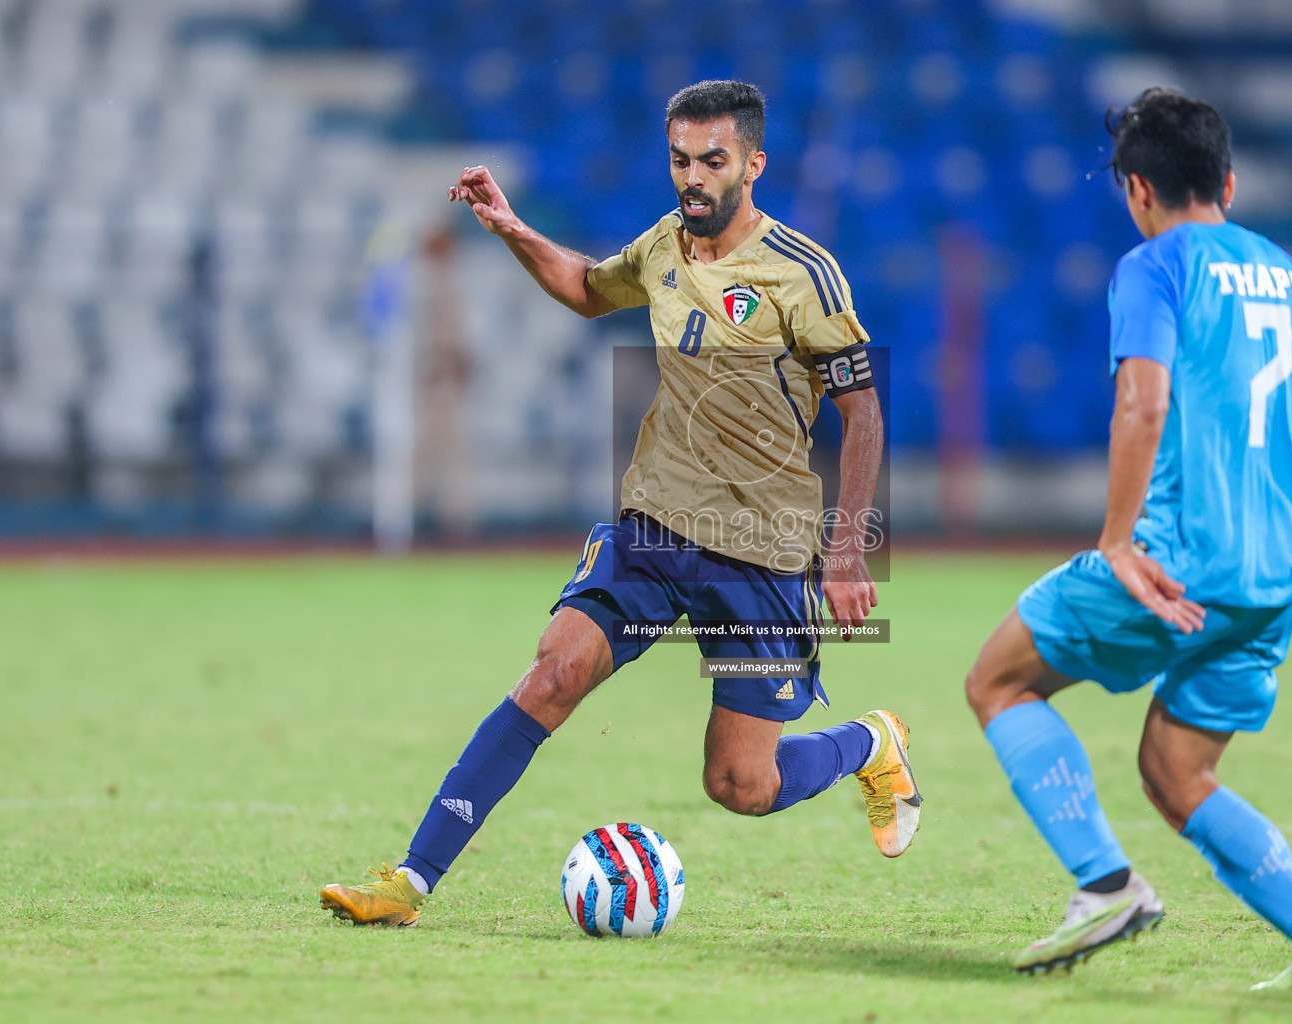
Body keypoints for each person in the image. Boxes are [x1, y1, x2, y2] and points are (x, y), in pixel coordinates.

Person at [319, 80, 919, 928]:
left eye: (712, 160)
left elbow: (863, 412)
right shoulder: (666, 246)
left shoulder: (804, 274)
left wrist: (850, 550)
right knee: (554, 672)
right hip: (655, 532)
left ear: (754, 163)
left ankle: (870, 743)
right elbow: (588, 288)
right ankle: (409, 883)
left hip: (763, 555)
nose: (693, 177)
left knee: (741, 786)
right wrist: (512, 227)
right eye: (680, 159)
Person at [963, 88, 1292, 990]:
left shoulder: (1155, 267)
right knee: (1177, 769)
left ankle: (1104, 885)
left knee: (998, 680)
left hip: (1182, 558)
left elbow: (1142, 399)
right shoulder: (1282, 268)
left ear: (1137, 190)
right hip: (1285, 568)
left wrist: (1118, 540)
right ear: (1228, 181)